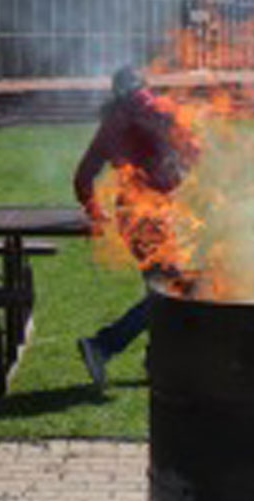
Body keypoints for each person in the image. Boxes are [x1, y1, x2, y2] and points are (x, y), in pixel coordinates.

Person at [73, 66, 199, 389]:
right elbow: (194, 150)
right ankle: (103, 345)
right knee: (170, 291)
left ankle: (157, 363)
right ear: (143, 86)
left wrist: (95, 211)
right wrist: (178, 170)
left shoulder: (110, 122)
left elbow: (83, 176)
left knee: (161, 287)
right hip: (150, 214)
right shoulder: (156, 107)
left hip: (129, 213)